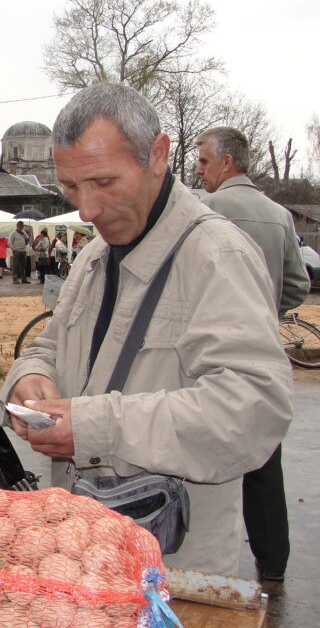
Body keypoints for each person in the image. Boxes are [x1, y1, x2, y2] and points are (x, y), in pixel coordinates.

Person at [0, 83, 292, 577]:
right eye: (71, 187)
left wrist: (93, 427)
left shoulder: (217, 256)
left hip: (170, 576)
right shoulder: (94, 256)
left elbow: (255, 409)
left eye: (104, 182)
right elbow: (50, 345)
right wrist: (28, 379)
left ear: (158, 154)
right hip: (80, 555)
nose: (87, 210)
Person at [195, 126, 309, 582]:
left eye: (204, 160)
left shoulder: (204, 211)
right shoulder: (279, 215)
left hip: (206, 356)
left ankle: (200, 571)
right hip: (264, 355)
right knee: (265, 464)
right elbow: (298, 284)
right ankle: (273, 566)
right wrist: (264, 310)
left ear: (228, 163)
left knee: (203, 464)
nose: (198, 169)